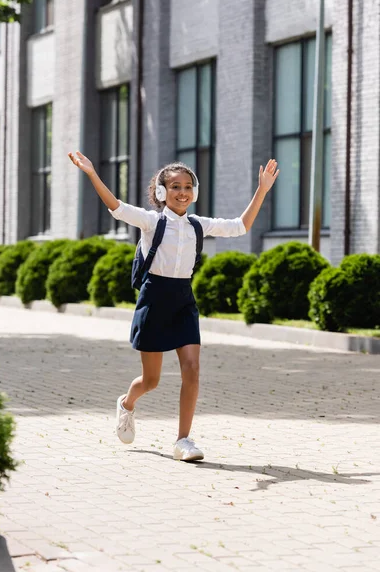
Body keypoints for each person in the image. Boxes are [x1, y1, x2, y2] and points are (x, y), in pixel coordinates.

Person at [68, 151, 279, 461]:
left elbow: (240, 226)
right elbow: (116, 207)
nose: (183, 192)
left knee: (192, 370)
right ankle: (127, 404)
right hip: (154, 298)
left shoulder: (198, 225)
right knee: (151, 381)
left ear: (194, 193)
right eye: (176, 187)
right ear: (162, 192)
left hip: (183, 300)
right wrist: (91, 173)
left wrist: (261, 189)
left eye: (188, 187)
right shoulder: (151, 221)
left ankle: (183, 440)